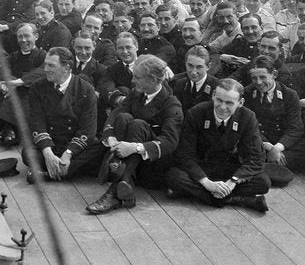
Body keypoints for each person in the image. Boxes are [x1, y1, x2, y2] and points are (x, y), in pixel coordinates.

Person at [83, 55, 183, 214]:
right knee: (124, 117)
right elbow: (116, 113)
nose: (132, 81)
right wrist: (110, 136)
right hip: (130, 162)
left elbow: (169, 142)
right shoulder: (137, 93)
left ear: (153, 79)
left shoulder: (171, 104)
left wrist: (134, 148)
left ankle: (115, 192)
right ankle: (126, 187)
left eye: (137, 77)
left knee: (138, 125)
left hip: (153, 166)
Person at [166, 78, 271, 212]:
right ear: (213, 95)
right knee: (174, 176)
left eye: (229, 103)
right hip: (202, 167)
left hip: (228, 169)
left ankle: (198, 194)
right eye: (219, 100)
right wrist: (207, 183)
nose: (222, 107)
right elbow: (185, 155)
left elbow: (256, 158)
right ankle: (238, 199)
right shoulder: (196, 112)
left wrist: (232, 182)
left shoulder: (248, 117)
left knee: (263, 182)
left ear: (240, 103)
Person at [242, 56, 305, 184]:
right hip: (261, 143)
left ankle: (270, 166)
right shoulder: (247, 93)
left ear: (274, 74)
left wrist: (278, 148)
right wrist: (268, 147)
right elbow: (249, 126)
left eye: (263, 77)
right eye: (254, 78)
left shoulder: (289, 94)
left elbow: (295, 127)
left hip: (284, 143)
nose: (258, 82)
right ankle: (283, 166)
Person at [24, 47, 98, 184]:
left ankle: (47, 174)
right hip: (51, 143)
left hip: (74, 147)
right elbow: (36, 122)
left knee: (100, 149)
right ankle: (66, 170)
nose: (46, 69)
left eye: (51, 65)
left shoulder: (86, 89)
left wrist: (68, 153)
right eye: (46, 64)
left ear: (66, 67)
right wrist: (47, 153)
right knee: (28, 153)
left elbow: (88, 130)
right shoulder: (37, 87)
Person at [170, 45, 217, 111]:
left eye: (199, 67)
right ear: (185, 64)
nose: (194, 72)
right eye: (190, 66)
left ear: (208, 66)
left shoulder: (216, 87)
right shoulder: (179, 84)